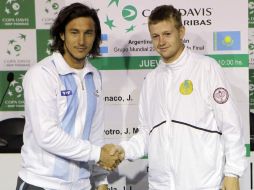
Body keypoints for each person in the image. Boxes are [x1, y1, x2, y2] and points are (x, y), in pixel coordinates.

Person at [110, 4, 247, 190]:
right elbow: (145, 135)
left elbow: (230, 124)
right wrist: (123, 150)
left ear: (181, 32)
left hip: (203, 184)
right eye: (155, 36)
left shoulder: (206, 68)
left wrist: (233, 173)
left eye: (167, 34)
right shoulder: (151, 80)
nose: (161, 42)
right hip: (161, 185)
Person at [16, 3, 119, 190]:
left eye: (88, 33)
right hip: (42, 184)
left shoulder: (94, 75)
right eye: (74, 32)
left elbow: (95, 132)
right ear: (62, 34)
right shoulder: (42, 74)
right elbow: (47, 135)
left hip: (81, 185)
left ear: (95, 37)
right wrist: (97, 154)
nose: (81, 41)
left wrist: (101, 179)